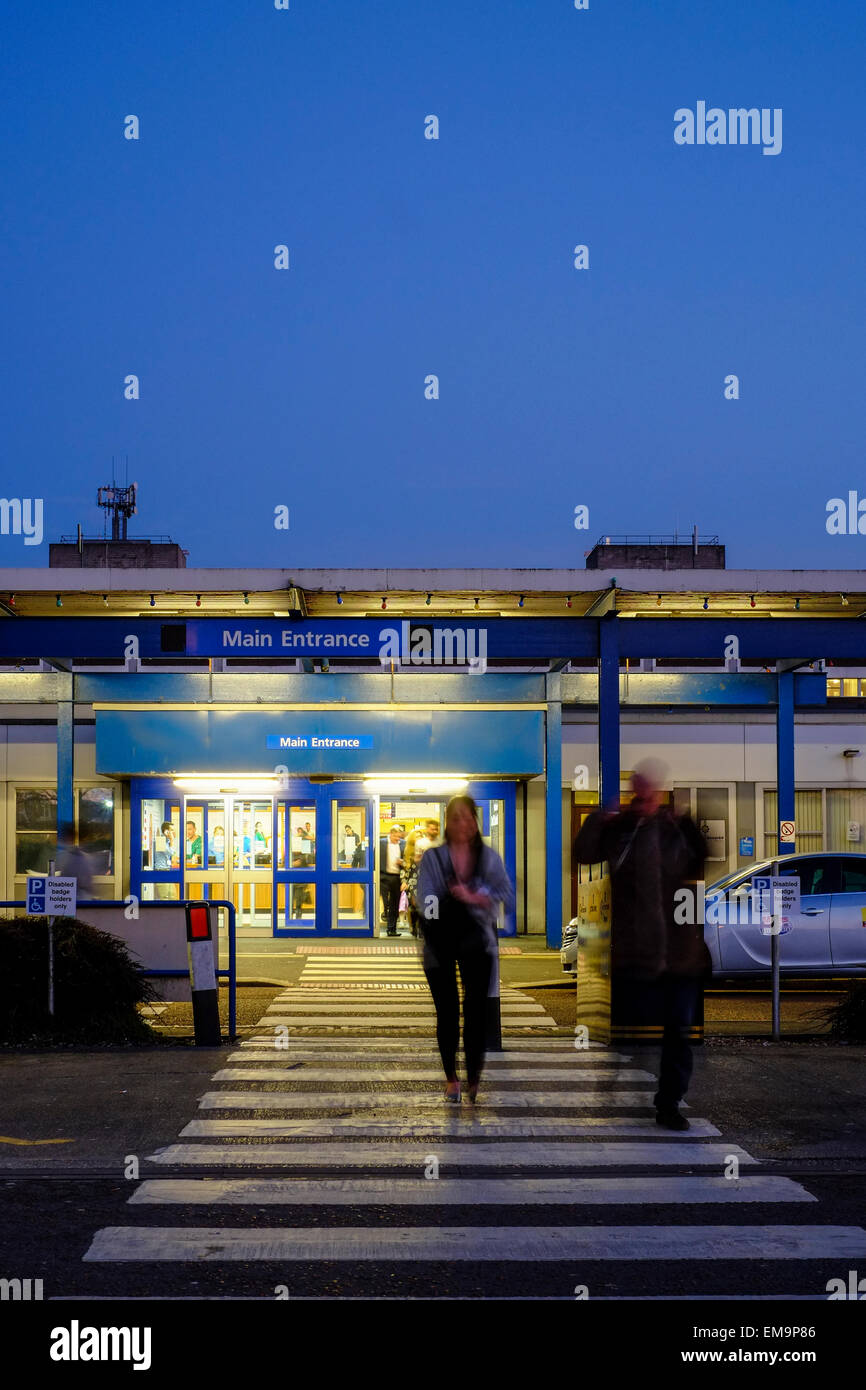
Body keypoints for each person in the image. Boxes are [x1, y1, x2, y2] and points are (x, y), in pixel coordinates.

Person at [573, 758, 710, 1131]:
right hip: (639, 951)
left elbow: (698, 860)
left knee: (677, 1031)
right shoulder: (621, 829)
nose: (647, 793)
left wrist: (687, 824)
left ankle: (668, 1103)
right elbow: (583, 854)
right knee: (638, 1026)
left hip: (678, 953)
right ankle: (631, 1082)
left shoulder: (674, 828)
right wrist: (599, 818)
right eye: (641, 787)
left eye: (652, 787)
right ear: (635, 789)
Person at [417, 794, 514, 1103]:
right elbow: (425, 898)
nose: (461, 823)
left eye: (467, 817)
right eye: (455, 817)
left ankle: (474, 1078)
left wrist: (475, 896)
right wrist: (437, 908)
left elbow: (507, 897)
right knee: (447, 1012)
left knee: (475, 1011)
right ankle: (451, 1079)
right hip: (440, 944)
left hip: (477, 942)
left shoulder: (489, 859)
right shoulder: (434, 858)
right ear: (447, 822)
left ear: (475, 822)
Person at [56, 822, 97, 899]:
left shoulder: (64, 856)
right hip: (76, 898)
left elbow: (85, 881)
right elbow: (87, 881)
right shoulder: (85, 857)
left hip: (72, 898)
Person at [378, 824, 405, 936]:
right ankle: (382, 923)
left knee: (395, 904)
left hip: (397, 877)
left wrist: (402, 862)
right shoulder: (381, 843)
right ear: (391, 834)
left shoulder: (404, 844)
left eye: (399, 837)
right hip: (383, 876)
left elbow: (407, 859)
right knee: (386, 903)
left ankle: (391, 929)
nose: (398, 839)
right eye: (396, 837)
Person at [401, 828, 424, 937]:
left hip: (423, 881)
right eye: (417, 836)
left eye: (420, 836)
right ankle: (413, 926)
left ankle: (421, 928)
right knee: (413, 906)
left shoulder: (426, 851)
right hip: (412, 883)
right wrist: (404, 881)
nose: (419, 838)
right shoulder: (407, 851)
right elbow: (404, 869)